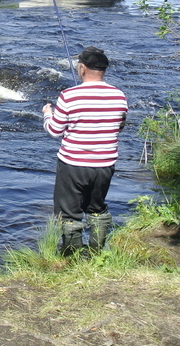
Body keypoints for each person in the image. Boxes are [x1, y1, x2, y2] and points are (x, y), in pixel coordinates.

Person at [42, 46, 128, 255]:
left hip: (73, 165)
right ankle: (96, 253)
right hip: (105, 165)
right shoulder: (119, 96)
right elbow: (119, 126)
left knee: (69, 214)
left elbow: (54, 130)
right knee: (97, 209)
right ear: (103, 70)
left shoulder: (69, 95)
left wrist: (47, 114)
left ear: (82, 68)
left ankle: (72, 257)